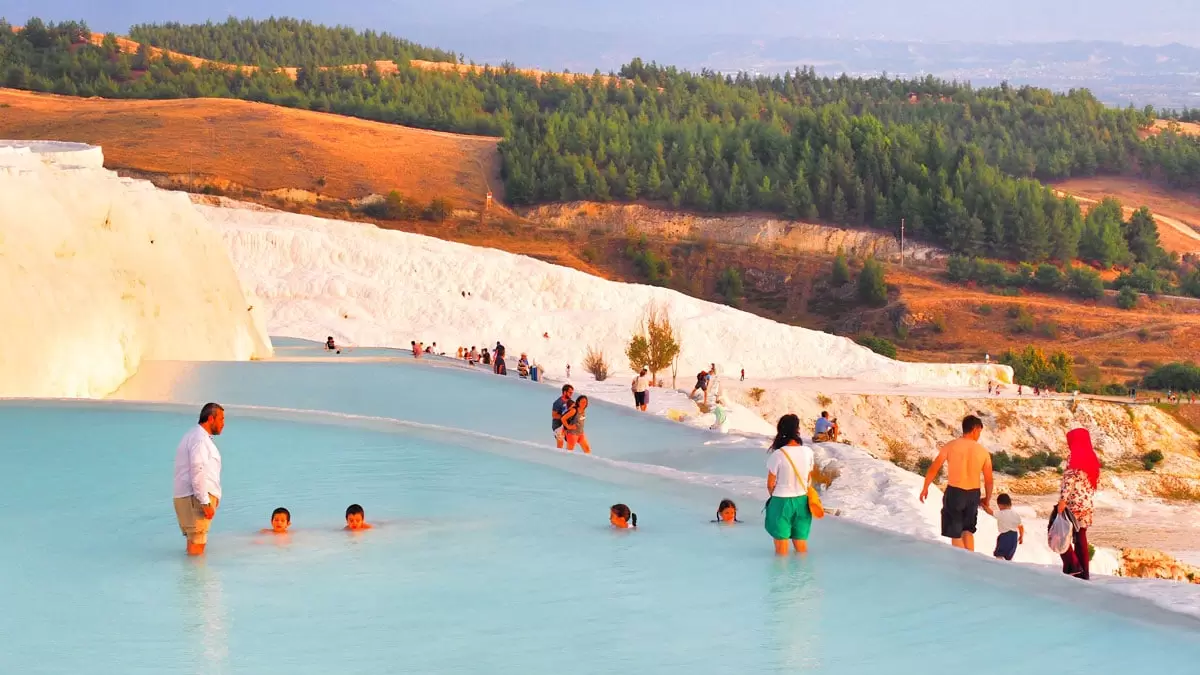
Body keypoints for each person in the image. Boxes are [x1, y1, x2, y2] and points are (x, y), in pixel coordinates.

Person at [919, 415, 994, 551]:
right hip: (973, 494)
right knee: (968, 530)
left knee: (955, 533)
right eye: (979, 432)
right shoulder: (983, 452)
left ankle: (960, 564)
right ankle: (970, 563)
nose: (979, 436)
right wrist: (987, 499)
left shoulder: (950, 446)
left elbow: (934, 468)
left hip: (955, 492)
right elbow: (989, 481)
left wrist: (925, 487)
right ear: (975, 429)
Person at [173, 403, 225, 556]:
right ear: (210, 418)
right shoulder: (200, 439)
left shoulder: (195, 436)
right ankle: (197, 579)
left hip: (192, 498)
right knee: (197, 547)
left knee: (194, 544)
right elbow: (198, 469)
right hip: (195, 499)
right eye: (221, 419)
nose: (223, 424)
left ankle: (193, 578)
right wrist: (205, 502)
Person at [765, 414, 816, 555]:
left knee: (781, 547)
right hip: (802, 501)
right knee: (801, 544)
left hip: (781, 501)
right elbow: (809, 479)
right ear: (797, 430)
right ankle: (802, 575)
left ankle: (781, 576)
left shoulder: (778, 454)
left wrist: (775, 498)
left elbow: (770, 484)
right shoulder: (808, 452)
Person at [1058, 428, 1099, 580]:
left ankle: (1073, 566)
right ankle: (1084, 573)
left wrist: (1062, 500)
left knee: (1061, 534)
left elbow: (1068, 481)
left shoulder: (1074, 457)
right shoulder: (1092, 457)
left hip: (1073, 504)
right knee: (1081, 536)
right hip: (1087, 504)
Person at [993, 494, 1023, 560]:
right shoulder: (1015, 514)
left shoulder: (1001, 513)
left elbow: (990, 512)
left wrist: (983, 505)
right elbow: (1020, 527)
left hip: (1005, 536)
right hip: (1014, 537)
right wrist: (1021, 536)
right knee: (1009, 557)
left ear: (999, 505)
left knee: (999, 555)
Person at [552, 384, 574, 449]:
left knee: (571, 442)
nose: (571, 394)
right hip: (558, 426)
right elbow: (554, 415)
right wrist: (565, 416)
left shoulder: (570, 402)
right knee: (560, 444)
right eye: (570, 392)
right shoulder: (557, 402)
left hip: (566, 426)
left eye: (572, 393)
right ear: (564, 392)